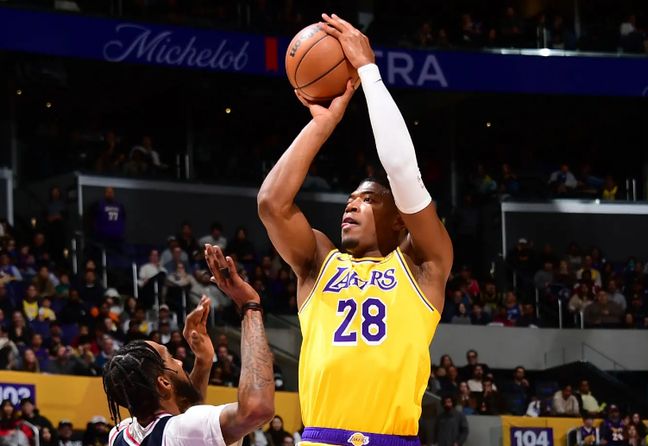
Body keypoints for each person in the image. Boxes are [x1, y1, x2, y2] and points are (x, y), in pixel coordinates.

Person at [257, 13, 452, 446]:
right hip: (320, 438)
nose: (351, 205)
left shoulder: (423, 266)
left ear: (399, 218)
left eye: (368, 199)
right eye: (349, 200)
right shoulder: (318, 263)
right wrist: (320, 126)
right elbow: (272, 204)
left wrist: (369, 73)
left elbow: (401, 170)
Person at [103, 244, 274, 446]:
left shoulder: (118, 434)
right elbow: (256, 410)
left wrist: (203, 362)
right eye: (169, 358)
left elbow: (185, 412)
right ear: (163, 383)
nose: (179, 362)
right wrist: (249, 305)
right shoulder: (177, 433)